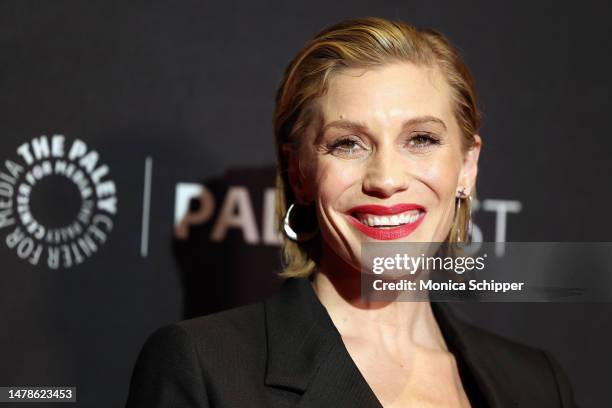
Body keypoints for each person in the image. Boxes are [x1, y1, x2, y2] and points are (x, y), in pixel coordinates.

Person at [125, 17, 577, 407]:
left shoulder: (538, 383)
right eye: (348, 144)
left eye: (420, 139)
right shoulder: (206, 368)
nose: (385, 178)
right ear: (299, 173)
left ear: (467, 164)